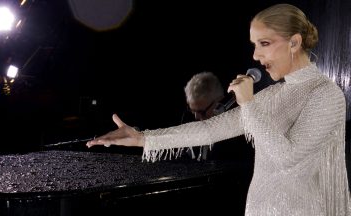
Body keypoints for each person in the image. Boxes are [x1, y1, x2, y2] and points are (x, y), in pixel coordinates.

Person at [87, 3, 351, 215]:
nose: (256, 56)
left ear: (294, 42)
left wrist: (248, 103)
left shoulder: (325, 95)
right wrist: (142, 138)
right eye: (254, 45)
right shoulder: (273, 95)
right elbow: (210, 129)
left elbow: (288, 158)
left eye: (265, 44)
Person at [183, 71, 225, 160]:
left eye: (201, 111)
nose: (196, 117)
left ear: (218, 104)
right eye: (192, 110)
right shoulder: (187, 119)